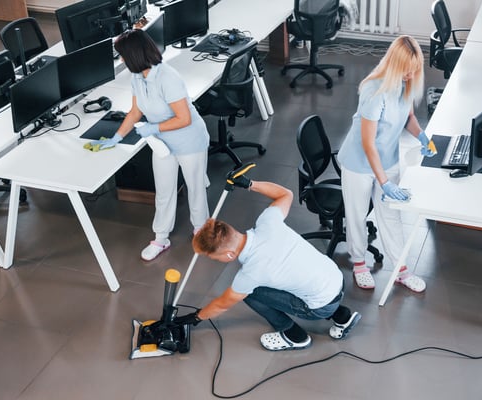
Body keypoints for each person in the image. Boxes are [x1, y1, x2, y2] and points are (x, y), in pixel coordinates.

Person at [173, 173, 361, 351]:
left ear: (229, 255)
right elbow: (285, 194)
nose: (212, 260)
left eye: (211, 257)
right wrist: (249, 184)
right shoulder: (267, 221)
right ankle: (342, 316)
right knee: (296, 279)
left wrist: (195, 318)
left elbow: (222, 304)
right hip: (336, 279)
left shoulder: (249, 275)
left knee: (252, 294)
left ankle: (294, 336)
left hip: (320, 306)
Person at [89, 29, 210, 261]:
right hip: (163, 144)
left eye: (123, 56)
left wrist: (153, 128)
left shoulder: (168, 77)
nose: (121, 60)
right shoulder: (137, 77)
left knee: (195, 188)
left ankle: (201, 231)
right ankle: (161, 237)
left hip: (189, 140)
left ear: (134, 55)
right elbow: (135, 111)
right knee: (164, 191)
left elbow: (183, 118)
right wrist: (116, 137)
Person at [337, 35, 432, 292]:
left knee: (390, 215)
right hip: (358, 163)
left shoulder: (406, 84)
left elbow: (408, 116)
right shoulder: (375, 92)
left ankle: (401, 269)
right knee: (356, 215)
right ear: (394, 64)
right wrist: (384, 182)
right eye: (406, 70)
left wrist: (422, 136)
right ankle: (358, 263)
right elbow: (368, 145)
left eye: (414, 70)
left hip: (387, 158)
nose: (410, 75)